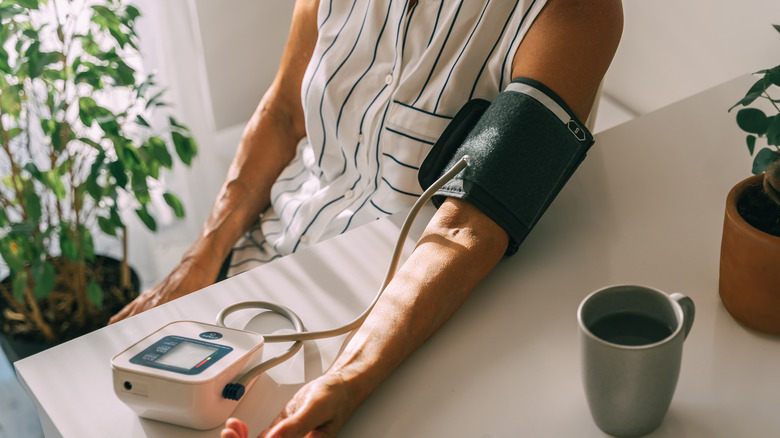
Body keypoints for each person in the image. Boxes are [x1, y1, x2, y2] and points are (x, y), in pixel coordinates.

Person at [111, 0, 623, 436]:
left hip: (381, 318)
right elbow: (285, 111)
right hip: (258, 261)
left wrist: (346, 379)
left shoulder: (575, 11)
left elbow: (469, 224)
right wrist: (200, 257)